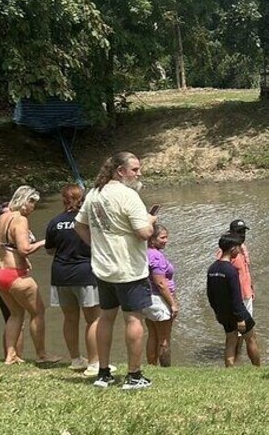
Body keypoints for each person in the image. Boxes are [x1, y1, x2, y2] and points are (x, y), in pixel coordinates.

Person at [74, 151, 156, 390]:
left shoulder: (95, 193)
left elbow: (79, 226)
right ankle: (134, 375)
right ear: (120, 171)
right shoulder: (128, 195)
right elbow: (144, 233)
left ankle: (103, 372)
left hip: (103, 268)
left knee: (106, 318)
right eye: (135, 169)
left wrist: (97, 245)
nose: (139, 174)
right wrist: (150, 221)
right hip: (128, 268)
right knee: (134, 318)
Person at [0, 186, 59, 365]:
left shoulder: (2, 217)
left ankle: (10, 355)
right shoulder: (20, 220)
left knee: (15, 314)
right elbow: (24, 249)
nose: (33, 207)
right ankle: (42, 355)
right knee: (38, 312)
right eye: (32, 202)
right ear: (24, 201)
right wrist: (45, 242)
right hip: (15, 276)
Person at [45, 183, 106, 376]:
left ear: (63, 200)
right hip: (85, 274)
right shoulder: (88, 221)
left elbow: (49, 250)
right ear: (84, 199)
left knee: (70, 319)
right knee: (93, 320)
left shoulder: (55, 222)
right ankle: (95, 363)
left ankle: (76, 359)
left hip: (60, 275)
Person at [206, 233, 261, 367]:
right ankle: (258, 368)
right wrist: (240, 318)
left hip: (223, 312)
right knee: (251, 339)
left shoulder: (212, 268)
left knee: (230, 340)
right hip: (237, 312)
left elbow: (210, 294)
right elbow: (236, 296)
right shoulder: (231, 270)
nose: (239, 250)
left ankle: (229, 370)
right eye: (238, 248)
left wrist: (217, 312)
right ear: (232, 249)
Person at [0, 201, 24, 360]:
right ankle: (14, 355)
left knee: (11, 318)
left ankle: (11, 354)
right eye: (6, 214)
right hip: (1, 280)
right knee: (15, 318)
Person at [144, 224, 178, 367]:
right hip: (159, 299)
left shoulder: (145, 253)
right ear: (152, 239)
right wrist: (172, 303)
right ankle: (165, 369)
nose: (166, 240)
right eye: (162, 237)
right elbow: (161, 283)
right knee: (164, 339)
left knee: (152, 335)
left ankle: (152, 366)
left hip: (147, 298)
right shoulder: (157, 256)